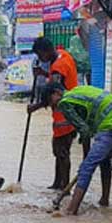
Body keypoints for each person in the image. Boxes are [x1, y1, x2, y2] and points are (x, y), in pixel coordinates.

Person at [43, 82, 112, 214]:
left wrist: (87, 159)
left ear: (57, 92)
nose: (53, 106)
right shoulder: (77, 91)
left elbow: (84, 131)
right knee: (104, 160)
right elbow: (87, 127)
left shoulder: (64, 103)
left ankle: (71, 210)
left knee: (86, 167)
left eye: (50, 101)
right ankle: (104, 200)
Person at [28, 37, 81, 190]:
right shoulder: (64, 55)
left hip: (64, 115)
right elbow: (61, 82)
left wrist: (35, 107)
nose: (40, 59)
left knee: (61, 152)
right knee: (59, 151)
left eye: (40, 55)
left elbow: (54, 94)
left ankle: (64, 187)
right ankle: (58, 184)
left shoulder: (58, 66)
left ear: (45, 51)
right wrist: (44, 73)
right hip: (70, 112)